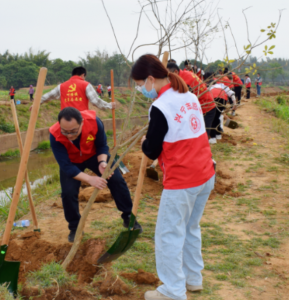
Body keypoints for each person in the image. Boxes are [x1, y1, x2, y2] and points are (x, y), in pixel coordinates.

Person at [132, 54, 215, 300]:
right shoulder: (189, 96)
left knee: (168, 234)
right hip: (205, 174)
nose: (140, 89)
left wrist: (144, 142)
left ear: (149, 79)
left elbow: (151, 150)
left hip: (183, 180)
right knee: (190, 227)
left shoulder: (160, 106)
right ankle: (193, 279)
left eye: (139, 84)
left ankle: (173, 291)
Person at [49, 107, 142, 242]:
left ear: (82, 123)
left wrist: (103, 162)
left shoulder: (94, 122)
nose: (69, 135)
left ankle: (129, 217)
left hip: (93, 155)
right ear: (59, 125)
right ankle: (75, 228)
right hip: (72, 161)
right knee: (68, 193)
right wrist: (89, 179)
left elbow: (102, 145)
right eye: (65, 132)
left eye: (74, 131)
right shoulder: (54, 134)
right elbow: (66, 167)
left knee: (116, 179)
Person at [167, 62, 216, 138]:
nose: (168, 79)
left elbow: (183, 100)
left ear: (175, 72)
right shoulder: (185, 74)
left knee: (202, 135)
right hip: (202, 105)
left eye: (169, 76)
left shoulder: (185, 81)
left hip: (206, 107)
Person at [36, 66, 116, 112]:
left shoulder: (61, 86)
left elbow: (47, 96)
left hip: (64, 120)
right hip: (81, 119)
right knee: (98, 127)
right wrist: (109, 105)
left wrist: (35, 104)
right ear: (83, 75)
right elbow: (95, 101)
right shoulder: (86, 85)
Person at [204, 72, 237, 144]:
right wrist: (234, 103)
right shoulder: (222, 85)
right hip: (223, 100)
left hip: (214, 99)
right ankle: (218, 134)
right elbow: (231, 93)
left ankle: (213, 138)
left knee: (212, 118)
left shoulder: (209, 87)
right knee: (217, 117)